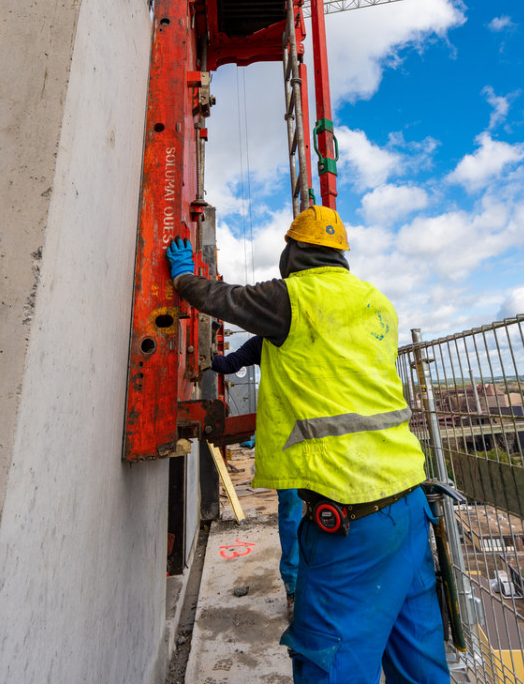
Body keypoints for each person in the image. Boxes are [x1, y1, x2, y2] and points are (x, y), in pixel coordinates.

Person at [166, 206, 450, 684]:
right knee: (418, 660)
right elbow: (288, 350)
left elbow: (223, 298)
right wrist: (227, 361)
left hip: (350, 516)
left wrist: (183, 278)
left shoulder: (293, 297)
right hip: (409, 502)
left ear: (293, 251)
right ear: (340, 255)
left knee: (331, 661)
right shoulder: (376, 301)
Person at [211, 335, 302, 618]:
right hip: (290, 443)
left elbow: (228, 364)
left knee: (307, 514)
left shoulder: (294, 339)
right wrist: (203, 354)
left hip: (308, 442)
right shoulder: (265, 343)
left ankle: (306, 587)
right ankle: (296, 590)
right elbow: (228, 364)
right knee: (293, 514)